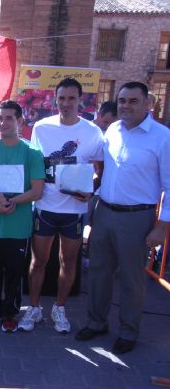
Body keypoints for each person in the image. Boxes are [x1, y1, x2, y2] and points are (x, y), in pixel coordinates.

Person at [75, 82, 170, 354]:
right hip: (104, 213)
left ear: (148, 104)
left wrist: (162, 227)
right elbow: (100, 167)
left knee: (131, 279)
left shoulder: (162, 137)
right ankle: (96, 322)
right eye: (122, 101)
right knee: (98, 273)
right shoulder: (113, 130)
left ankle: (129, 331)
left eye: (133, 101)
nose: (126, 106)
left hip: (136, 218)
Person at [20, 78, 104, 333]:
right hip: (45, 207)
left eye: (71, 99)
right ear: (55, 100)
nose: (66, 104)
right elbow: (35, 164)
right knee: (38, 261)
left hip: (74, 211)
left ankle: (60, 308)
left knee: (68, 263)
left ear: (80, 101)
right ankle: (34, 309)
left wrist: (92, 190)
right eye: (61, 98)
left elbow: (101, 169)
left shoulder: (92, 132)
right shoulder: (42, 127)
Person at [0, 100, 45, 332]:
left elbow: (37, 191)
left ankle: (10, 313)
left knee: (14, 274)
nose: (3, 122)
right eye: (0, 118)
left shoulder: (32, 152)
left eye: (8, 118)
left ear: (20, 122)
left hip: (18, 226)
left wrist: (10, 201)